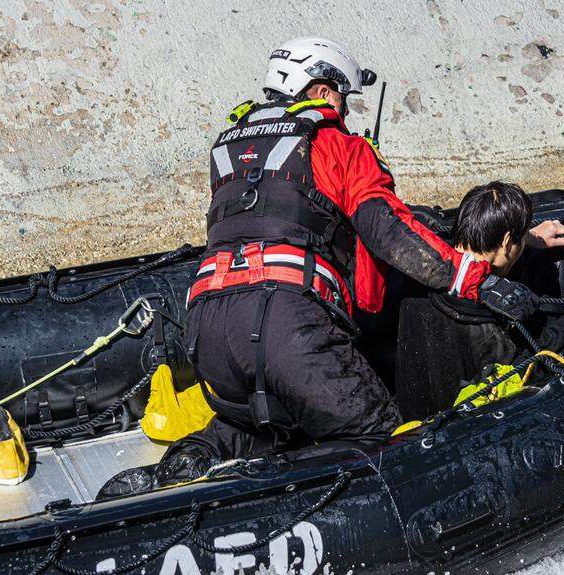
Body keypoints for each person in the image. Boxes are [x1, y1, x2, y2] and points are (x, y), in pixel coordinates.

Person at [153, 37, 542, 484]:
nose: (348, 112)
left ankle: (186, 462)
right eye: (344, 99)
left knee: (262, 424)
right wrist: (470, 277)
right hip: (287, 321)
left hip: (207, 329)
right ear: (320, 92)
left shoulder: (228, 149)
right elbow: (385, 230)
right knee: (377, 441)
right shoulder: (341, 146)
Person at [395, 182, 564, 421]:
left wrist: (529, 238)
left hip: (414, 414)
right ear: (507, 241)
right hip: (461, 428)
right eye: (519, 240)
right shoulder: (485, 326)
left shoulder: (419, 276)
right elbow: (523, 372)